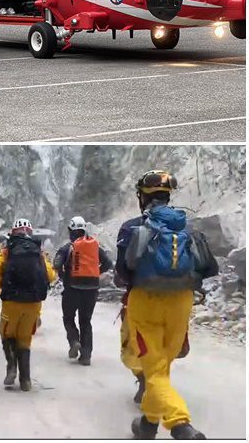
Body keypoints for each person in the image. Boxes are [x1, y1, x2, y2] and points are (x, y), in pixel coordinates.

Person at [116, 171, 209, 440]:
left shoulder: (132, 227)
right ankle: (147, 423)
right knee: (162, 366)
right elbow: (205, 267)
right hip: (181, 302)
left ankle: (181, 426)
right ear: (168, 196)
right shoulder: (187, 226)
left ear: (143, 197)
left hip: (146, 302)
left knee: (154, 368)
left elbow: (123, 272)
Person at [0, 218, 56, 391]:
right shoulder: (37, 251)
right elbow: (51, 275)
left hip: (12, 301)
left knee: (6, 333)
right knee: (24, 339)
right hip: (33, 304)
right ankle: (25, 380)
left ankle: (11, 367)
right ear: (29, 232)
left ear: (13, 233)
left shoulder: (6, 251)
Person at [53, 215, 112, 366]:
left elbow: (57, 263)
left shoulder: (68, 248)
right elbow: (108, 263)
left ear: (70, 230)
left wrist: (64, 275)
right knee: (86, 321)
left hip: (72, 288)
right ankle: (86, 356)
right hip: (91, 289)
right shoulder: (95, 247)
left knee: (68, 318)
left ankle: (74, 341)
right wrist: (95, 273)